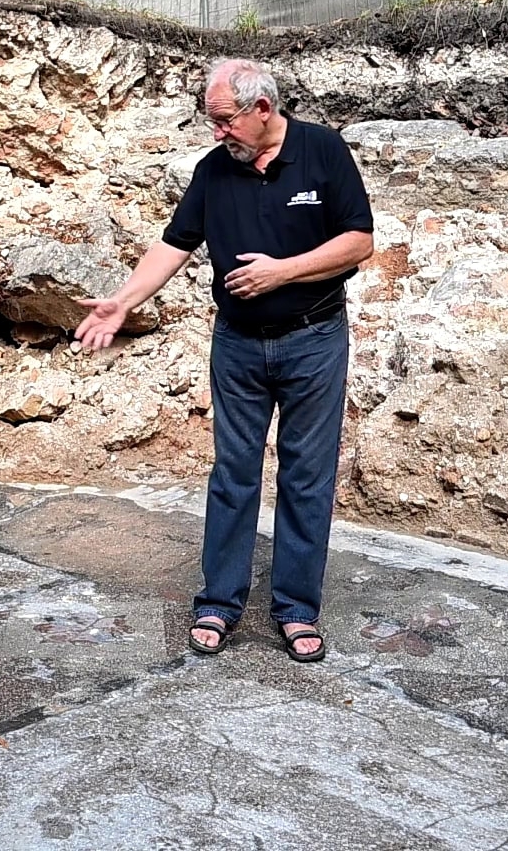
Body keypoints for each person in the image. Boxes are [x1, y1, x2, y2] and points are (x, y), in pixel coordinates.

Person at [74, 58, 374, 662]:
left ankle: (295, 609)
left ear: (262, 109)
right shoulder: (214, 170)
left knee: (306, 476)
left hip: (315, 340)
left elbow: (360, 241)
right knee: (233, 473)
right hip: (237, 342)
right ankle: (219, 602)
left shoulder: (323, 151)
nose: (217, 133)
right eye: (211, 121)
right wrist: (123, 302)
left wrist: (281, 272)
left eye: (224, 121)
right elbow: (175, 243)